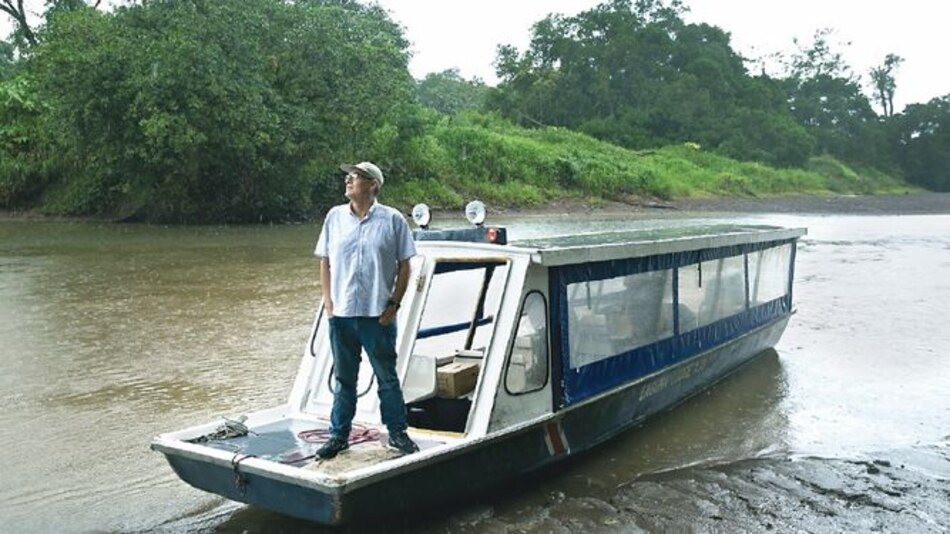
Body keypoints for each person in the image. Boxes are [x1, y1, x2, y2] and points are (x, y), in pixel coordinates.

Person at [314, 161, 419, 458]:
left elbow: (405, 265)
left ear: (373, 184)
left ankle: (397, 433)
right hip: (342, 315)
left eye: (356, 176)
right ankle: (338, 435)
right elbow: (325, 261)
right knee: (344, 379)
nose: (348, 179)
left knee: (386, 377)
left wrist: (394, 306)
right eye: (348, 175)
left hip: (378, 316)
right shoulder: (334, 217)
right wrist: (329, 304)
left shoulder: (393, 220)